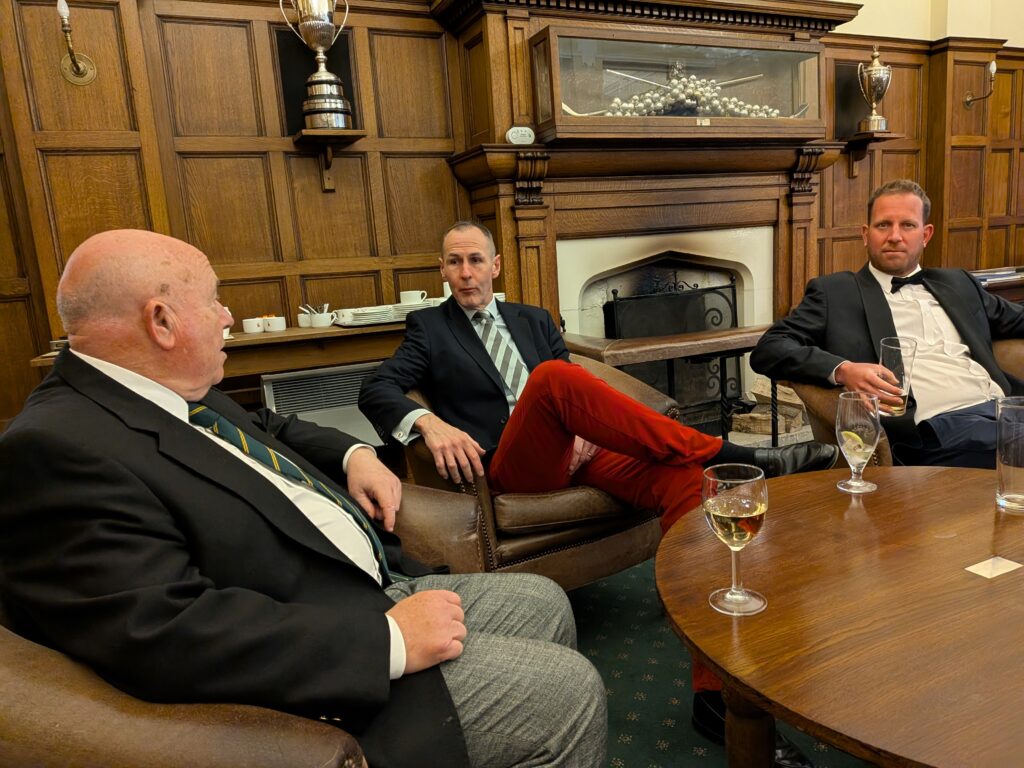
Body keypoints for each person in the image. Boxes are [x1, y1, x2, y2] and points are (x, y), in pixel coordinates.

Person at [0, 229, 607, 768]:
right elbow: (162, 631)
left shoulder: (167, 386)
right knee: (568, 693)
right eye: (213, 300)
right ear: (161, 322)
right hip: (328, 653)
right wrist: (389, 642)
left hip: (363, 585)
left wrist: (355, 454)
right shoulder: (56, 449)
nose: (227, 315)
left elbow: (270, 426)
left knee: (543, 600)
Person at [358, 220, 836, 768]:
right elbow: (376, 388)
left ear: (495, 266)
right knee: (550, 379)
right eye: (454, 262)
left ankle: (715, 696)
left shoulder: (533, 319)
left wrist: (589, 432)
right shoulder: (429, 328)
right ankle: (733, 452)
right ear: (443, 271)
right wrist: (426, 422)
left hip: (583, 452)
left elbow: (581, 393)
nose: (465, 272)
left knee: (691, 483)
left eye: (475, 260)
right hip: (516, 467)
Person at [751, 179, 1024, 467]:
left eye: (907, 225)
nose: (895, 236)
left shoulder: (958, 283)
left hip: (1005, 409)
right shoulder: (836, 292)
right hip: (935, 428)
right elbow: (769, 348)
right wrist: (843, 370)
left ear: (926, 234)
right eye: (883, 225)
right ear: (866, 234)